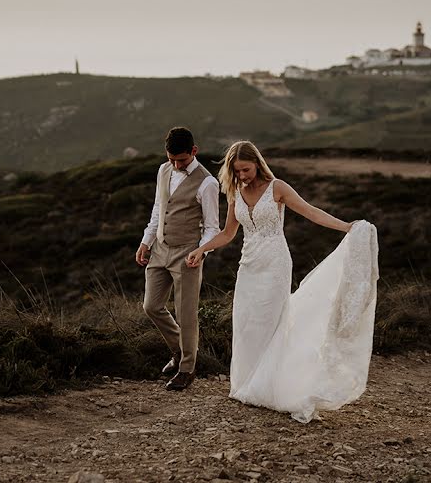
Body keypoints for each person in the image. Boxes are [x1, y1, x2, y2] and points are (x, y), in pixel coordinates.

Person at [186, 141, 378, 422]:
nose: (242, 175)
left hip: (274, 265)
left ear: (257, 164)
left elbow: (311, 211)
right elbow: (228, 233)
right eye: (237, 171)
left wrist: (347, 227)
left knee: (270, 322)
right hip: (248, 265)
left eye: (246, 169)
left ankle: (274, 388)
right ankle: (248, 385)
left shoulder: (277, 187)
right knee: (246, 323)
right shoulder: (235, 191)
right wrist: (202, 249)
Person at [136, 127, 220, 391]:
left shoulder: (208, 183)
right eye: (171, 158)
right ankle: (178, 351)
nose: (175, 164)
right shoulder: (163, 171)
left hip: (187, 254)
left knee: (187, 314)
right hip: (160, 248)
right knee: (151, 306)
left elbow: (212, 227)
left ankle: (187, 369)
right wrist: (146, 241)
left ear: (194, 151)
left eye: (181, 160)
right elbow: (158, 209)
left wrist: (201, 251)